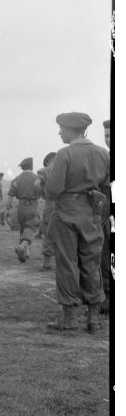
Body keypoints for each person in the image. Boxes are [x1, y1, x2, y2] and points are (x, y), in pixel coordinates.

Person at [45, 112, 109, 331]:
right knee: (92, 263)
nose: (60, 132)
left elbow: (53, 190)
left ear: (72, 130)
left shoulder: (64, 154)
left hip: (66, 213)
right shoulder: (103, 153)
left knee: (67, 263)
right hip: (92, 213)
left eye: (62, 128)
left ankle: (70, 317)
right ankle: (93, 317)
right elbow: (109, 185)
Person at [6, 157, 40, 262]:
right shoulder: (36, 178)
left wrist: (8, 209)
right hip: (32, 205)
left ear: (22, 168)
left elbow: (10, 196)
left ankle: (26, 252)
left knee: (23, 228)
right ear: (32, 166)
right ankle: (23, 246)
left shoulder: (16, 179)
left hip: (20, 206)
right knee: (31, 228)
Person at [35, 152, 57, 271]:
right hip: (68, 204)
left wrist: (42, 193)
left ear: (48, 161)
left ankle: (47, 262)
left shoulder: (45, 170)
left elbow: (36, 184)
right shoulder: (67, 167)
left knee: (49, 231)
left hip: (51, 204)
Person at [99, 119, 112, 315]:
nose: (109, 139)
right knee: (106, 257)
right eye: (106, 136)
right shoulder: (106, 159)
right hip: (106, 215)